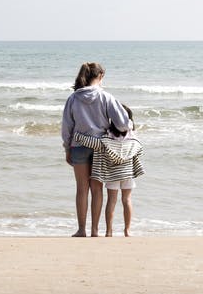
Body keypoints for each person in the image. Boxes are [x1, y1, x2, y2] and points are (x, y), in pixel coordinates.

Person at [61, 62, 129, 237]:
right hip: (100, 147)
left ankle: (81, 229)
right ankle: (95, 230)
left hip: (78, 146)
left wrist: (67, 148)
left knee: (81, 189)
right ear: (100, 77)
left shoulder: (73, 98)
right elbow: (122, 123)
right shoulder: (106, 97)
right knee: (97, 189)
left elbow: (67, 127)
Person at [74, 104, 143, 237]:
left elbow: (93, 143)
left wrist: (77, 136)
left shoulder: (106, 139)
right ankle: (127, 230)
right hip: (127, 174)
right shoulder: (133, 139)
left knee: (111, 201)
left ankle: (108, 231)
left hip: (113, 175)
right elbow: (139, 151)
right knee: (127, 200)